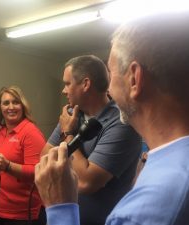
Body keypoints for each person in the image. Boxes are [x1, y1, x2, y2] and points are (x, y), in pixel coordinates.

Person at [35, 11, 189, 225]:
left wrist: (60, 209)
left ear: (134, 78)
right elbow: (45, 158)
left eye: (111, 74)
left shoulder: (139, 213)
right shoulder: (180, 165)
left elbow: (83, 180)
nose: (107, 86)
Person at [41, 55, 141, 225]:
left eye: (67, 84)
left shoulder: (122, 123)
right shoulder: (72, 115)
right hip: (64, 216)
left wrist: (68, 134)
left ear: (85, 84)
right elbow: (44, 158)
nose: (63, 90)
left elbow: (87, 182)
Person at [0, 86, 46, 225]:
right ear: (0, 107)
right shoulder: (0, 132)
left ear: (23, 105)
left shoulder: (31, 133)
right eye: (6, 103)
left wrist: (8, 166)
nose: (11, 107)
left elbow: (38, 172)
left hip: (18, 213)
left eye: (16, 102)